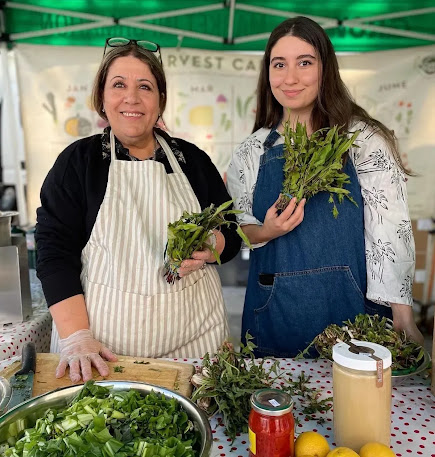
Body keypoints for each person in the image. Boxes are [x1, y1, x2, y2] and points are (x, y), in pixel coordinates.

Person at [36, 37, 241, 382]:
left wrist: (213, 245)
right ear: (102, 97)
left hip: (195, 347)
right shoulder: (78, 163)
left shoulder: (193, 161)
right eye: (119, 85)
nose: (131, 98)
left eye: (145, 86)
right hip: (103, 352)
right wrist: (77, 337)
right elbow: (54, 252)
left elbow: (232, 234)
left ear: (160, 99)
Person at [227, 16, 424, 358]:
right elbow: (240, 231)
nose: (290, 78)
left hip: (354, 312)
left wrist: (403, 316)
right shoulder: (252, 150)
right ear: (267, 72)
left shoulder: (363, 139)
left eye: (305, 63)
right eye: (279, 64)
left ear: (326, 69)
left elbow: (389, 232)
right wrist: (267, 231)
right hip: (274, 312)